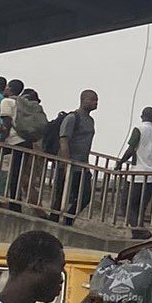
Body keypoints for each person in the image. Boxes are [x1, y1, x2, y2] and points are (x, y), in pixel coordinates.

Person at [116, 106, 152, 239]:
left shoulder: (138, 129)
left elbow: (131, 149)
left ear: (142, 116)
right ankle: (137, 233)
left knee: (126, 205)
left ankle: (141, 230)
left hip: (137, 174)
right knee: (140, 207)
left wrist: (120, 162)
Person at [52, 90, 97, 226]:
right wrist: (66, 163)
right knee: (60, 196)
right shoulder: (72, 118)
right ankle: (54, 219)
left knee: (85, 195)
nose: (96, 103)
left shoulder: (90, 120)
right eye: (93, 100)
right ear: (84, 100)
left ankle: (69, 218)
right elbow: (64, 140)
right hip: (68, 163)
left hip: (82, 165)